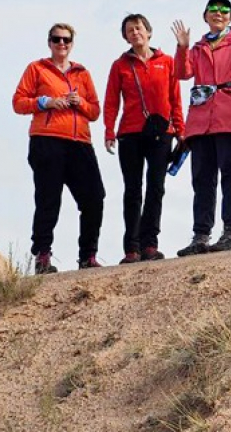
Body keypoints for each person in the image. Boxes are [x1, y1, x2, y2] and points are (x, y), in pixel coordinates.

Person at [171, 0, 231, 256]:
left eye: (224, 10)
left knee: (230, 173)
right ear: (205, 16)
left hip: (230, 115)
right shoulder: (197, 47)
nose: (219, 14)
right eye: (213, 10)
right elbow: (182, 73)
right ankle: (201, 235)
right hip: (201, 121)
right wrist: (182, 47)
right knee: (202, 178)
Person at [12, 23, 105, 273]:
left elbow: (95, 111)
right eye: (56, 39)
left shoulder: (82, 73)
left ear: (72, 43)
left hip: (80, 143)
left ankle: (88, 256)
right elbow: (18, 102)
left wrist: (81, 102)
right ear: (49, 42)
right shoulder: (37, 68)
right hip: (47, 140)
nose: (61, 44)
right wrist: (46, 102)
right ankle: (42, 257)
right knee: (48, 199)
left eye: (66, 40)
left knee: (95, 198)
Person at [103, 14, 185, 264]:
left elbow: (175, 98)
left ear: (148, 32)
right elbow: (111, 100)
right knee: (132, 190)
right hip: (130, 132)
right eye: (129, 30)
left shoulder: (167, 62)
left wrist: (181, 130)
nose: (134, 33)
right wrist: (109, 131)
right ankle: (132, 248)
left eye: (138, 28)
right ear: (125, 36)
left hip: (162, 133)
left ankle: (150, 244)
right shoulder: (120, 65)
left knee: (156, 188)